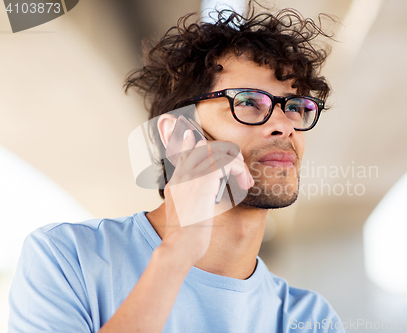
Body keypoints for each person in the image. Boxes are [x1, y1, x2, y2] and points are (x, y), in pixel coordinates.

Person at [8, 5, 346, 333]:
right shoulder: (67, 259)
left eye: (296, 107)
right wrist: (178, 251)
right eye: (247, 102)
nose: (284, 126)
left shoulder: (311, 319)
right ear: (181, 135)